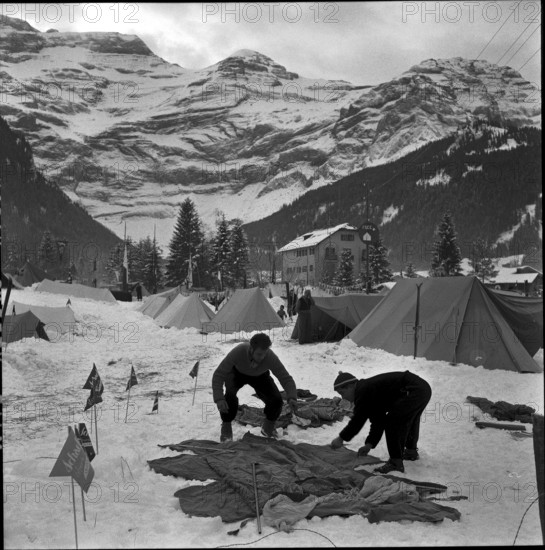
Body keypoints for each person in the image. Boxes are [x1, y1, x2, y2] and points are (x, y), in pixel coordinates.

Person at [330, 370, 432, 474]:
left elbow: (358, 420)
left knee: (393, 422)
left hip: (414, 389)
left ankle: (395, 463)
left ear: (351, 386)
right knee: (409, 419)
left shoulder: (363, 390)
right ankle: (411, 451)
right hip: (421, 389)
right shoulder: (369, 391)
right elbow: (378, 420)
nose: (343, 398)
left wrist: (341, 438)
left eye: (342, 393)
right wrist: (369, 444)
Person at [212, 333, 298, 442]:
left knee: (276, 400)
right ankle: (226, 427)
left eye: (264, 354)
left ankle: (268, 427)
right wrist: (219, 398)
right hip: (237, 373)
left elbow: (285, 378)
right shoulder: (238, 352)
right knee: (229, 397)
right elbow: (219, 374)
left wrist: (292, 397)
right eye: (259, 354)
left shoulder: (269, 357)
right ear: (251, 349)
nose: (262, 357)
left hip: (259, 376)